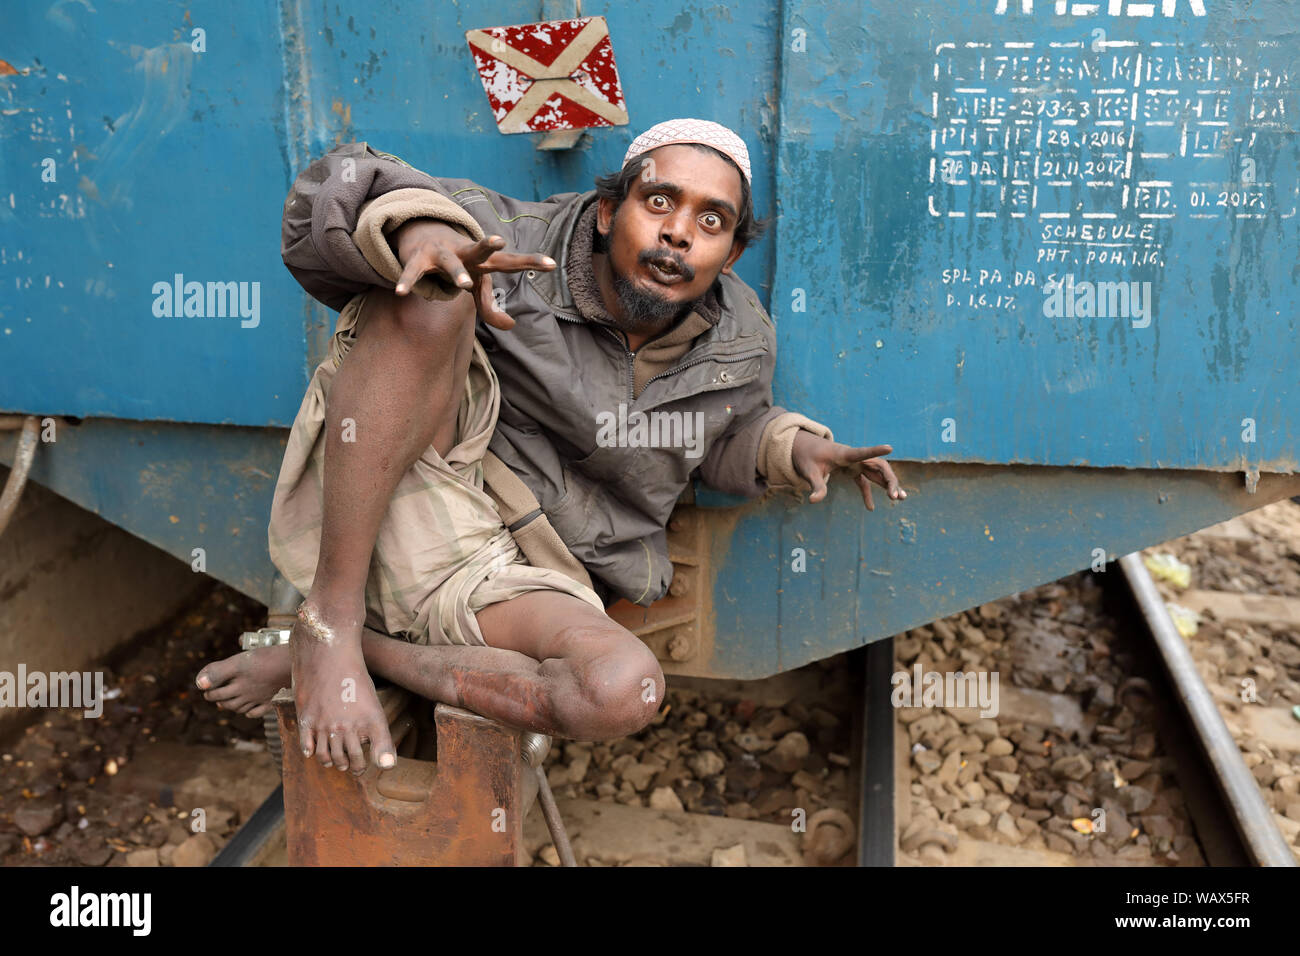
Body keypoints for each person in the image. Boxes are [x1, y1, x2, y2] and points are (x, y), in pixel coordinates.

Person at [196, 118, 905, 774]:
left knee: (621, 691)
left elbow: (718, 439)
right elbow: (339, 183)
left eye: (711, 221)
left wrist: (794, 448)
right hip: (427, 484)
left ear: (732, 253)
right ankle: (330, 623)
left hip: (537, 565)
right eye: (659, 202)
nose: (680, 233)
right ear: (608, 211)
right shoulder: (513, 238)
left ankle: (348, 655)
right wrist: (418, 238)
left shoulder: (742, 336)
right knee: (438, 290)